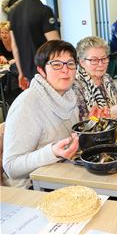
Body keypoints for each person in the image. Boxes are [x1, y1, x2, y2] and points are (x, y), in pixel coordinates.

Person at [3, 40, 80, 188]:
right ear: (41, 70)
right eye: (56, 64)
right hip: (33, 188)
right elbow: (11, 167)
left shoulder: (69, 95)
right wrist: (53, 152)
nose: (65, 70)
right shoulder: (27, 105)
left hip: (64, 174)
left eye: (70, 63)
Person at [73, 36, 117, 121]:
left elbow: (116, 108)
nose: (100, 64)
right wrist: (109, 114)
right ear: (82, 62)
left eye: (104, 58)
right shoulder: (75, 85)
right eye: (94, 60)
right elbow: (82, 126)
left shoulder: (107, 78)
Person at [8, 0, 60, 90]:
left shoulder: (12, 12)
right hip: (45, 71)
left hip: (28, 73)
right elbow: (56, 45)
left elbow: (14, 46)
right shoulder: (44, 10)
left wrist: (21, 73)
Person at [0, 21, 21, 105]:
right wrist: (1, 56)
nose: (4, 35)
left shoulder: (16, 41)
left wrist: (15, 60)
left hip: (16, 67)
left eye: (6, 33)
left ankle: (11, 97)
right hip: (5, 67)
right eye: (2, 33)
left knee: (11, 75)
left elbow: (23, 55)